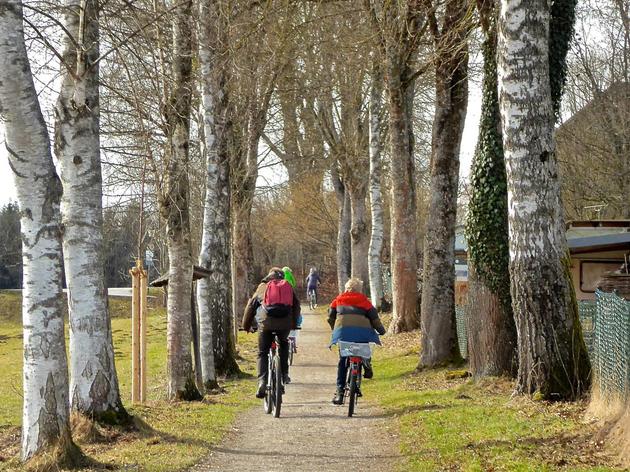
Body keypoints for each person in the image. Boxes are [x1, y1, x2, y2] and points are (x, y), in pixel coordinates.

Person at [242, 267, 301, 398]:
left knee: (262, 353)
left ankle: (262, 381)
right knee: (284, 344)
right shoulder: (288, 287)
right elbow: (296, 306)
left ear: (269, 276)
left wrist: (246, 326)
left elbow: (251, 307)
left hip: (266, 324)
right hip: (284, 324)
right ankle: (284, 375)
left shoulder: (262, 287)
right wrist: (293, 324)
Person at [327, 277, 386, 405]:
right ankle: (366, 363)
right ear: (360, 290)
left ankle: (339, 392)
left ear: (346, 288)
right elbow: (375, 319)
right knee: (363, 348)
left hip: (343, 334)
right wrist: (381, 331)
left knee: (343, 361)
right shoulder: (365, 301)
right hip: (362, 335)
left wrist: (335, 330)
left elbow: (330, 317)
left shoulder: (338, 300)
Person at [282, 266, 302, 351]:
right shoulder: (289, 273)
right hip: (290, 289)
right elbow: (293, 282)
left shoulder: (281, 275)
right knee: (296, 322)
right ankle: (293, 340)